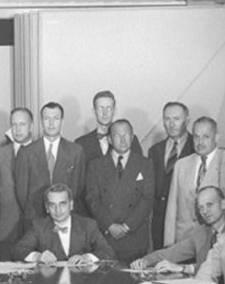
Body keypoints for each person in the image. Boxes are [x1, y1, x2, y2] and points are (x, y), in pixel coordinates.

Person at [84, 119, 155, 264]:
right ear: (109, 139)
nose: (123, 140)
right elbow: (92, 199)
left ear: (132, 137)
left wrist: (127, 226)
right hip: (105, 236)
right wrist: (109, 225)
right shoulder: (95, 165)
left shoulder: (145, 164)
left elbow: (148, 199)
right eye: (117, 136)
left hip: (134, 237)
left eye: (127, 135)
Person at [14, 101, 86, 231]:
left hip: (66, 221)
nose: (51, 123)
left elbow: (77, 188)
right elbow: (22, 193)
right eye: (47, 119)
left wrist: (61, 212)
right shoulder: (26, 153)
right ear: (41, 121)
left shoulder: (76, 151)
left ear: (62, 121)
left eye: (55, 118)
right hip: (35, 221)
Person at [130, 186, 225, 273]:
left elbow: (221, 267)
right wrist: (145, 261)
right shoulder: (200, 232)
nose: (205, 211)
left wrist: (183, 268)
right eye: (201, 207)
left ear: (223, 204)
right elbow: (171, 253)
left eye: (209, 205)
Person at [164, 116, 225, 244]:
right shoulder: (181, 165)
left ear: (216, 137)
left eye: (206, 136)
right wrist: (168, 244)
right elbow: (172, 209)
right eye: (196, 136)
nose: (200, 142)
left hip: (215, 241)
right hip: (183, 241)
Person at [14, 184, 115, 265]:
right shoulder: (39, 226)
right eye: (52, 205)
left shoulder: (88, 225)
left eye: (62, 204)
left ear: (71, 205)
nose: (58, 210)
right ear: (47, 208)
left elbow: (107, 251)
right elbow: (18, 250)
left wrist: (87, 257)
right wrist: (38, 256)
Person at [149, 101, 194, 250]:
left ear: (187, 120)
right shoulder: (155, 150)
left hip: (188, 222)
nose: (171, 124)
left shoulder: (197, 147)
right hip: (160, 224)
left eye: (176, 119)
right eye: (167, 119)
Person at [0, 107, 35, 260]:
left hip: (35, 229)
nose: (17, 129)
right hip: (6, 229)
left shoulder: (41, 152)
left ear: (31, 126)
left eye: (22, 124)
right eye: (14, 125)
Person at [76, 90, 142, 161]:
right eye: (100, 108)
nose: (105, 113)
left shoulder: (132, 141)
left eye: (109, 108)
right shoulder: (81, 144)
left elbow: (139, 167)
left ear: (114, 111)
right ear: (94, 111)